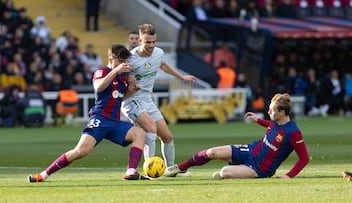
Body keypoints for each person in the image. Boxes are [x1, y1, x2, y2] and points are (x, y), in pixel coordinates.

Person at [28, 44, 150, 182]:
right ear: (111, 58)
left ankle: (131, 170)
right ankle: (43, 175)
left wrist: (131, 91)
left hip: (114, 122)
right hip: (100, 119)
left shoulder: (123, 77)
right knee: (80, 152)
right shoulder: (102, 72)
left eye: (124, 61)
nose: (123, 64)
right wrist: (115, 71)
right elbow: (98, 87)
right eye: (120, 61)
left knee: (140, 133)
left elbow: (118, 98)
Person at [164, 93, 310, 179]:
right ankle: (181, 168)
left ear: (282, 113)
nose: (269, 112)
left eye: (272, 110)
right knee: (212, 152)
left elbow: (304, 158)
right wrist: (258, 120)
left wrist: (288, 176)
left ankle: (237, 170)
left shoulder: (293, 132)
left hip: (260, 169)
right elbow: (270, 125)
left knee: (224, 172)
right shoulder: (275, 121)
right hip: (251, 150)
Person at [122, 24, 197, 174]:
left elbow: (163, 65)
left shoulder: (158, 53)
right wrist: (127, 87)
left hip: (147, 100)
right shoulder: (130, 59)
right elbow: (117, 79)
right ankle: (150, 170)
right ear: (139, 41)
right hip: (132, 101)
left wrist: (181, 77)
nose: (151, 45)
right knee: (151, 129)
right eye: (147, 42)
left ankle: (170, 169)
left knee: (167, 137)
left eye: (154, 41)